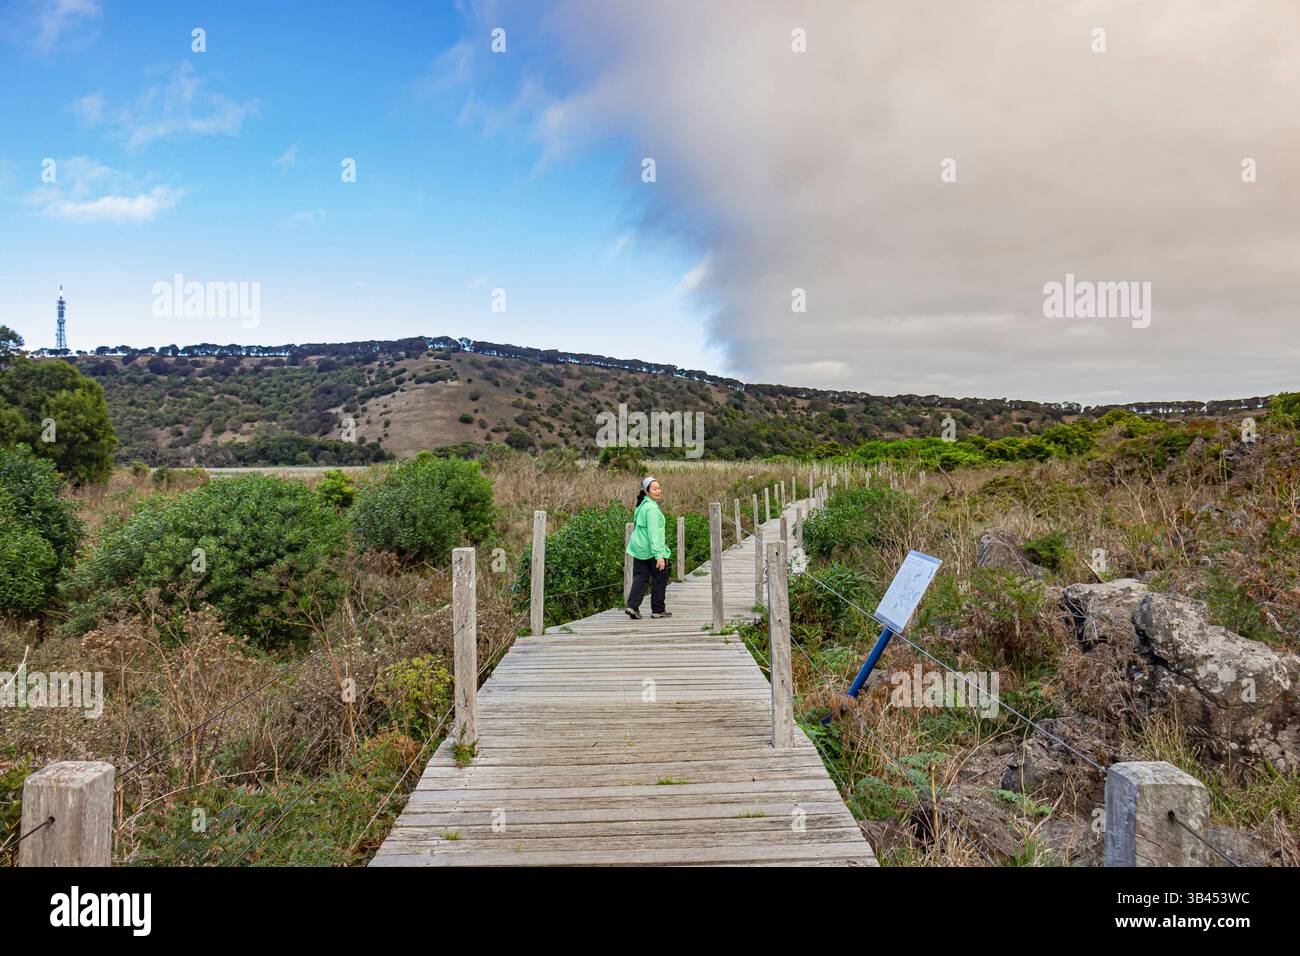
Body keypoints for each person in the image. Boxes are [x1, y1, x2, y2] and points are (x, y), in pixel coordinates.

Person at [625, 475, 672, 620]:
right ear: (647, 491)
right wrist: (659, 555)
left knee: (641, 576)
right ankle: (658, 610)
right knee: (660, 576)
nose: (658, 491)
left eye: (659, 488)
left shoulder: (642, 505)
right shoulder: (651, 508)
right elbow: (653, 533)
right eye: (654, 489)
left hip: (639, 547)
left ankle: (632, 606)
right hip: (650, 548)